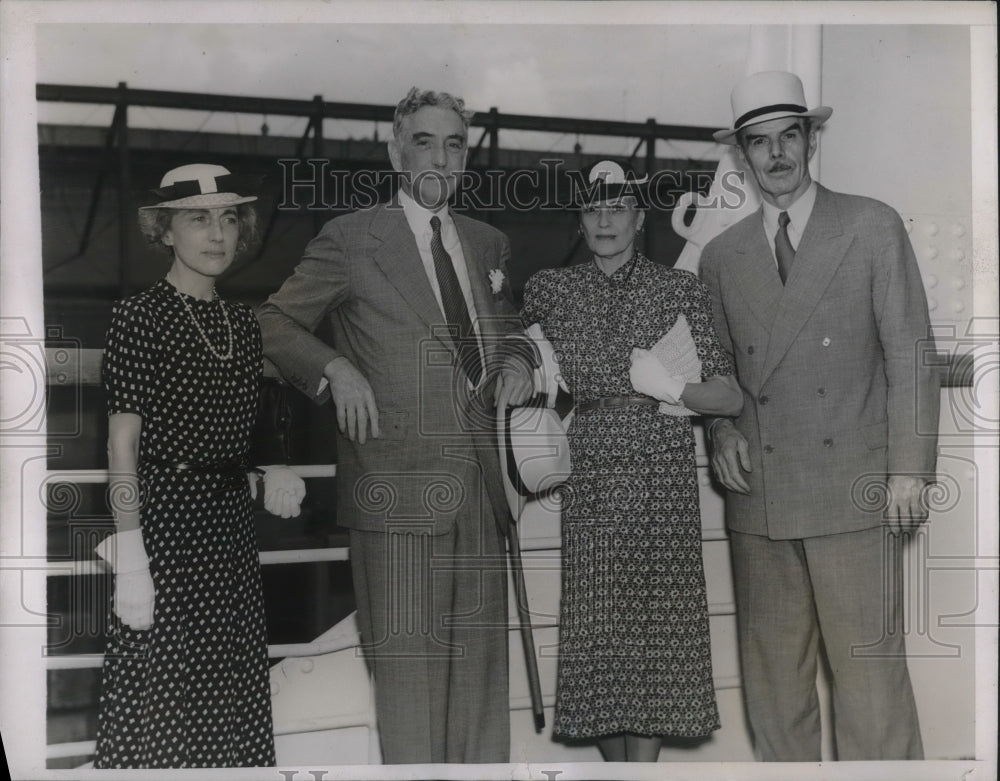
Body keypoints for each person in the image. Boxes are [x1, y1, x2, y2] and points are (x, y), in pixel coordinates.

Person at [256, 87, 533, 764]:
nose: (441, 156)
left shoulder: (487, 242)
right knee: (409, 695)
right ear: (394, 150)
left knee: (481, 696)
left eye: (454, 143)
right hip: (396, 489)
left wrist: (522, 357)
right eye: (424, 141)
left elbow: (511, 330)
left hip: (482, 492)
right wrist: (334, 369)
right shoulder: (352, 238)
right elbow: (271, 321)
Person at [700, 70, 939, 761]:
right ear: (740, 155)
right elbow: (721, 373)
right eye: (758, 142)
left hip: (855, 493)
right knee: (777, 698)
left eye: (788, 136)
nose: (775, 154)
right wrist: (719, 430)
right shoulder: (721, 257)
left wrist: (908, 471)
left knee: (871, 693)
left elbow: (912, 355)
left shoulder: (870, 225)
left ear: (810, 139)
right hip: (761, 500)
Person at [520, 160, 743, 762]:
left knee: (653, 632)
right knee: (602, 635)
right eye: (593, 210)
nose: (605, 221)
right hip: (590, 471)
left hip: (659, 471)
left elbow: (729, 393)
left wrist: (673, 389)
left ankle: (640, 772)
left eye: (617, 208)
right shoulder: (550, 289)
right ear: (580, 220)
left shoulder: (680, 290)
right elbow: (510, 355)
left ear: (640, 218)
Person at [93, 163, 306, 768]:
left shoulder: (243, 322)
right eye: (197, 219)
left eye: (228, 218)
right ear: (165, 230)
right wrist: (131, 554)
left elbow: (243, 434)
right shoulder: (139, 316)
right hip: (161, 527)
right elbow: (122, 447)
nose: (217, 234)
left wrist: (271, 470)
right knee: (162, 704)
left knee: (229, 695)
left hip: (229, 532)